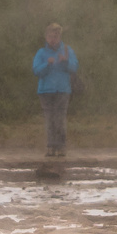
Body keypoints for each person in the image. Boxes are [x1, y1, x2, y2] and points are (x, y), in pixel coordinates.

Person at [32, 23, 78, 158]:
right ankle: (51, 147)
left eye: (56, 36)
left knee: (60, 119)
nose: (53, 39)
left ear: (60, 37)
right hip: (45, 91)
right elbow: (36, 70)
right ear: (46, 37)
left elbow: (74, 67)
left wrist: (65, 62)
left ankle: (61, 147)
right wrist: (48, 63)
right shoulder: (41, 52)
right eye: (51, 36)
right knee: (50, 119)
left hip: (63, 90)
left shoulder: (67, 50)